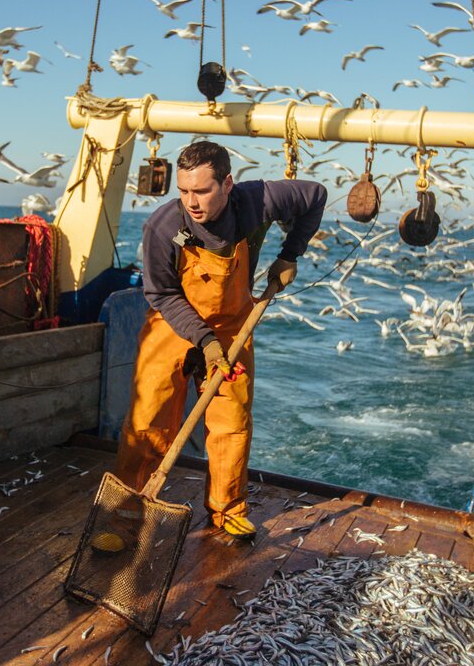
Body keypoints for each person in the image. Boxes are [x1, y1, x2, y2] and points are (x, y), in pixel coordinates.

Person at [114, 141, 326, 540]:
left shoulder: (258, 201)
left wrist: (290, 254)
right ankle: (125, 513)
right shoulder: (162, 226)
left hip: (231, 324)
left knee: (232, 420)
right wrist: (204, 342)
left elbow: (315, 195)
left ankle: (227, 510)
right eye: (184, 191)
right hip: (171, 322)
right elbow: (161, 294)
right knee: (147, 422)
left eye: (202, 191)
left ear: (227, 184)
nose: (191, 202)